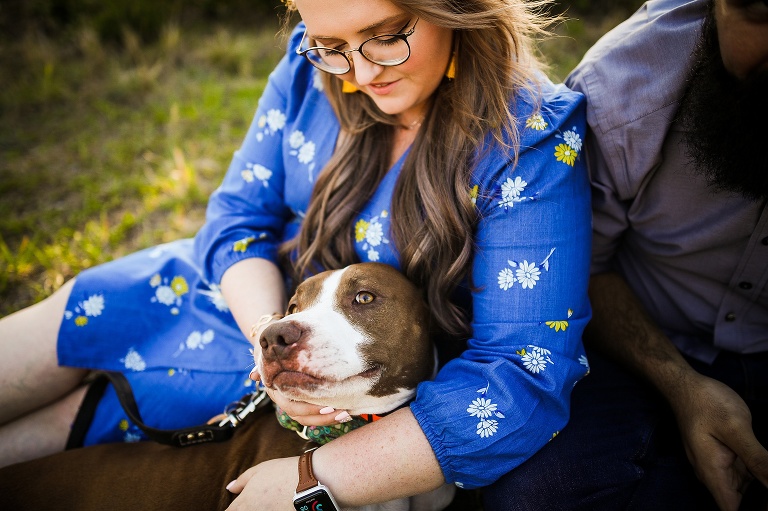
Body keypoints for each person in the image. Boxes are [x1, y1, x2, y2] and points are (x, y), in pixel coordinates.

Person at [0, 0, 592, 508]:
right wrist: (269, 333)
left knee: (64, 427)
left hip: (337, 380)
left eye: (384, 36)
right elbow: (236, 222)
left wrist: (317, 478)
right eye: (329, 43)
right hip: (201, 301)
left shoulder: (529, 137)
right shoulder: (309, 71)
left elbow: (522, 371)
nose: (357, 72)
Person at [483, 0, 768, 509]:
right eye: (760, 12)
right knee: (536, 493)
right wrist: (683, 388)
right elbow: (580, 269)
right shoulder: (620, 89)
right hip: (641, 349)